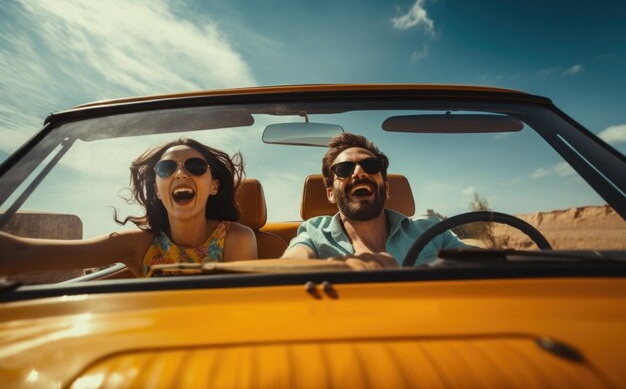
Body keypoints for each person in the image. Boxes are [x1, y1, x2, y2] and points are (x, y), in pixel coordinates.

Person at [0, 138, 258, 277]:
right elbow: (21, 254)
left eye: (195, 167)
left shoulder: (236, 238)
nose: (180, 173)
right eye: (166, 169)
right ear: (157, 188)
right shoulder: (138, 245)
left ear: (213, 186)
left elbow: (242, 313)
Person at [281, 133, 470, 269]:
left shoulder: (432, 230)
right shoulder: (313, 233)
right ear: (330, 194)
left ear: (386, 189)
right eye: (344, 169)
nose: (359, 172)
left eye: (370, 166)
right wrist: (337, 270)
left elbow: (482, 259)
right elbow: (289, 264)